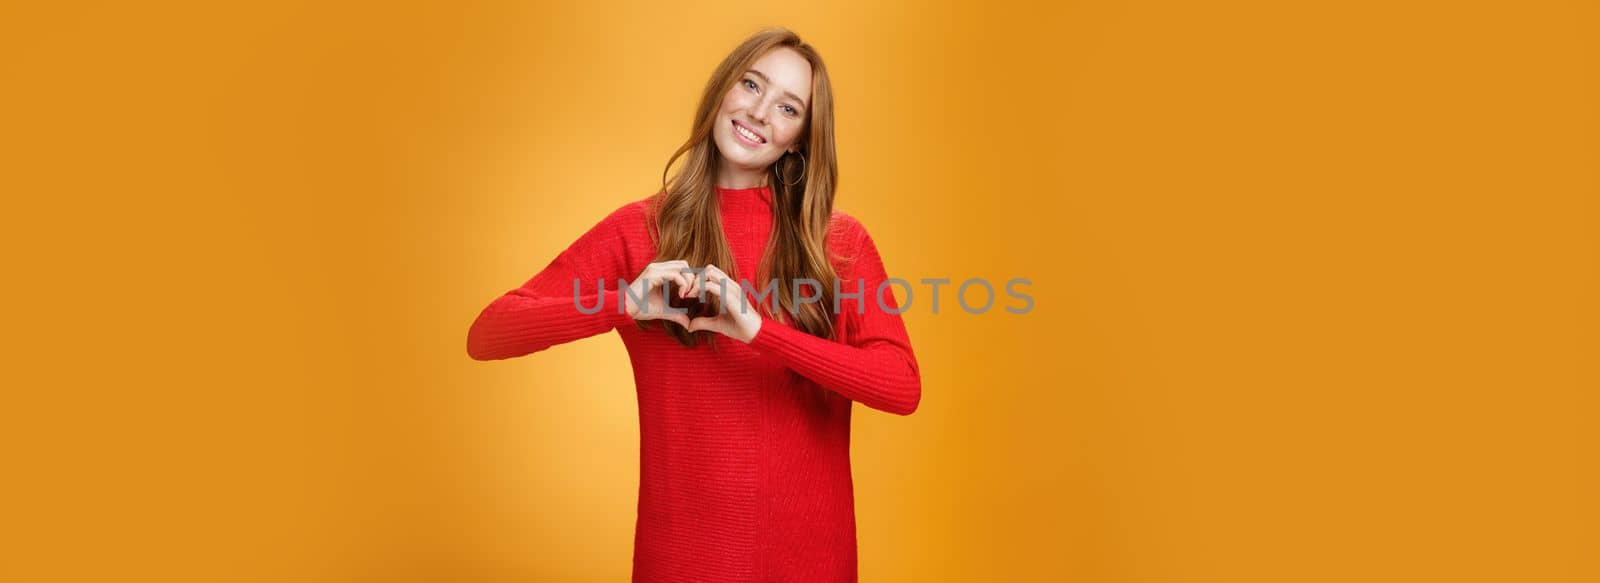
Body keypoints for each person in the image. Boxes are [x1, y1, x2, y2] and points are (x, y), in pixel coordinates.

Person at [466, 27, 920, 582]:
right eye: (751, 84)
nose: (758, 112)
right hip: (681, 562)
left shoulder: (837, 243)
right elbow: (489, 333)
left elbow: (901, 386)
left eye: (787, 107)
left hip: (811, 565)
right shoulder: (641, 231)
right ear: (722, 89)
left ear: (800, 137)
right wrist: (625, 304)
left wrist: (757, 330)